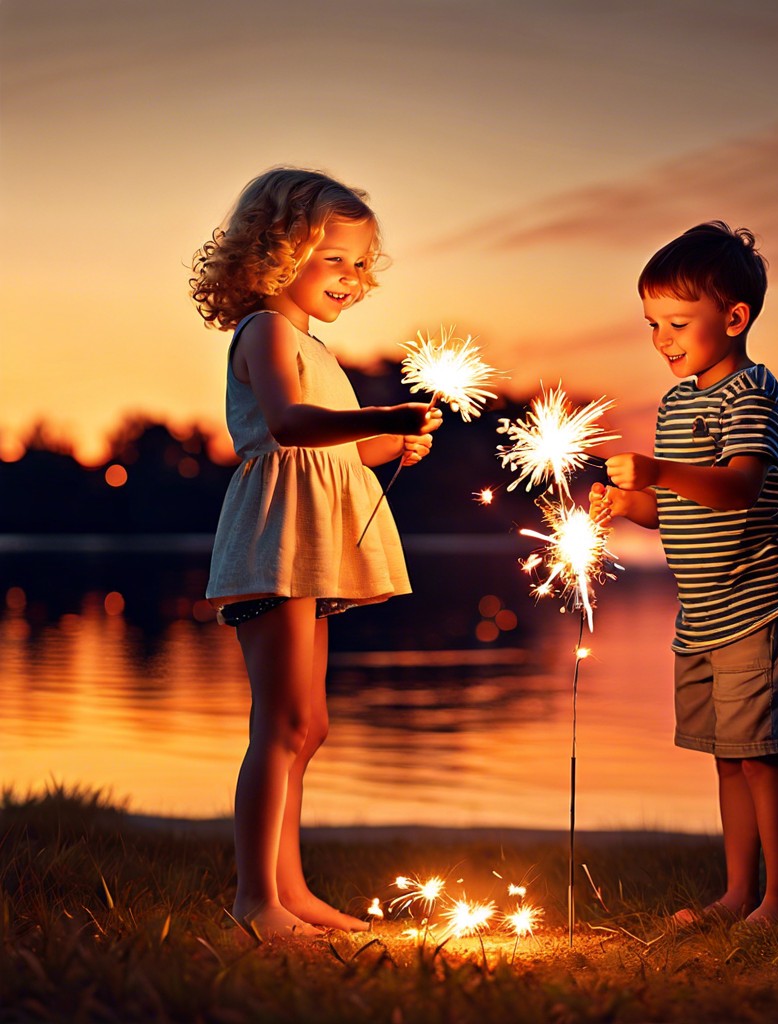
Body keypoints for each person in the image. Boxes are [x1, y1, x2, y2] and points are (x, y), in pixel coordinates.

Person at [190, 168, 442, 938]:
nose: (355, 279)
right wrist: (381, 414)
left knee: (311, 724)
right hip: (276, 541)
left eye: (364, 265)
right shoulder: (265, 332)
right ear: (277, 250)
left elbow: (334, 453)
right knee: (281, 721)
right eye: (338, 260)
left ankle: (290, 892)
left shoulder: (313, 345)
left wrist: (388, 443)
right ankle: (255, 901)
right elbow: (293, 426)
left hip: (312, 545)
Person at [590, 222, 778, 927]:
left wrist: (658, 472)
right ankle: (735, 894)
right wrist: (634, 505)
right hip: (703, 612)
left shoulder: (751, 393)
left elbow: (737, 487)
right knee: (725, 756)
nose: (661, 337)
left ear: (735, 317)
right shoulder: (678, 402)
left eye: (677, 321)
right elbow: (681, 508)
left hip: (759, 604)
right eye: (652, 322)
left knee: (760, 755)